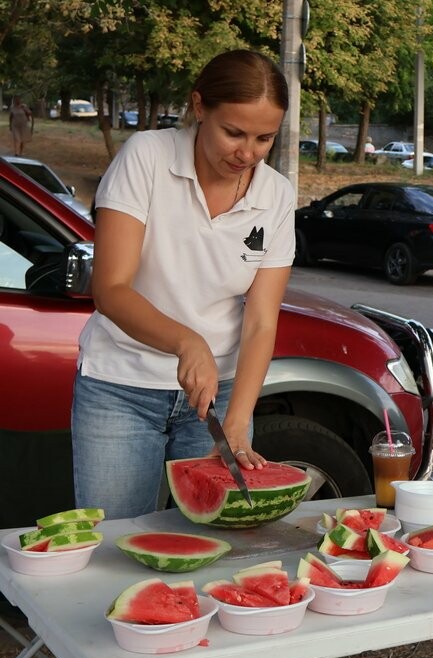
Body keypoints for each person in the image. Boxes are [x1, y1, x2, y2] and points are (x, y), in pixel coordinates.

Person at [71, 50, 296, 519]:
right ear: (199, 107)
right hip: (121, 385)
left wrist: (237, 421)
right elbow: (111, 289)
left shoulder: (276, 194)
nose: (247, 152)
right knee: (115, 542)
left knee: (219, 541)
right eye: (233, 132)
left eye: (264, 138)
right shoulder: (146, 157)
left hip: (222, 394)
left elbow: (260, 322)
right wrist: (186, 342)